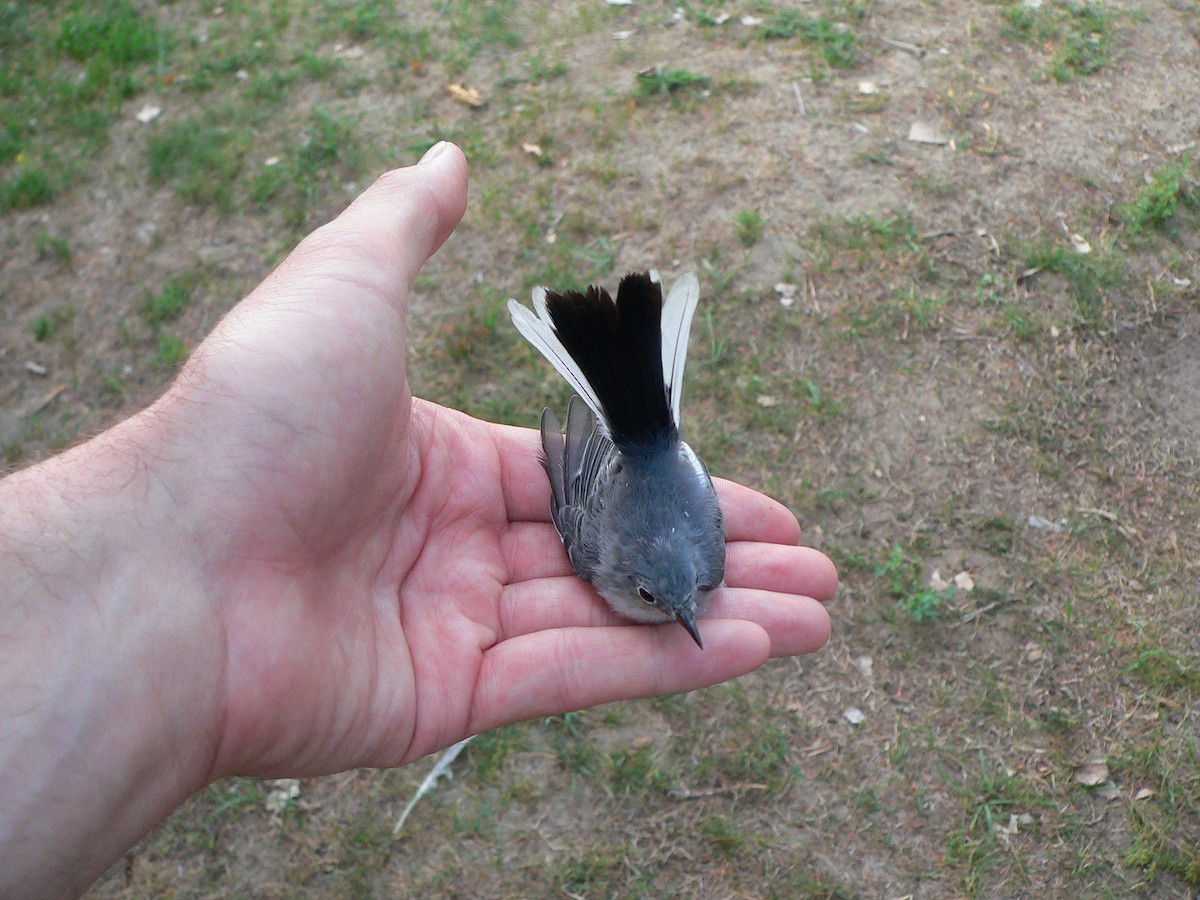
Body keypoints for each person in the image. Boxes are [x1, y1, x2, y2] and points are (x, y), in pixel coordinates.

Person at [0, 142, 836, 895]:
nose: (686, 610)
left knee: (654, 440)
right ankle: (621, 369)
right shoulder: (612, 562)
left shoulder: (701, 566)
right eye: (666, 599)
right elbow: (595, 482)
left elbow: (640, 477)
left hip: (655, 443)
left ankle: (622, 369)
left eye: (681, 595)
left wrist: (647, 451)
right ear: (631, 581)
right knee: (647, 429)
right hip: (647, 441)